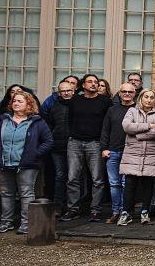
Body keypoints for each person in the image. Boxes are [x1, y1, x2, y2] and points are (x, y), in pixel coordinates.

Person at [0, 90, 53, 235]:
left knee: (26, 193)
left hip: (27, 165)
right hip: (3, 163)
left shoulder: (37, 122)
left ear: (28, 104)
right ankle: (6, 222)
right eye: (14, 101)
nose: (16, 103)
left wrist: (34, 154)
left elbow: (48, 142)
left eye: (20, 101)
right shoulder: (2, 119)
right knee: (7, 193)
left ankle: (26, 224)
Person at [61, 74, 112, 222]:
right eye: (90, 82)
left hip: (95, 143)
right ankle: (73, 209)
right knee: (72, 178)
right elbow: (69, 120)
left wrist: (104, 144)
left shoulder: (105, 102)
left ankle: (95, 210)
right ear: (83, 85)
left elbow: (107, 125)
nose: (93, 84)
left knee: (97, 179)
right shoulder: (75, 100)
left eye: (96, 82)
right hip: (75, 142)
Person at [117, 89, 155, 225]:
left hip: (152, 154)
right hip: (132, 154)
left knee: (148, 185)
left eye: (152, 97)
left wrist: (138, 134)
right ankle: (126, 212)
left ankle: (145, 211)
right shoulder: (132, 111)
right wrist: (148, 126)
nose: (149, 100)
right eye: (146, 97)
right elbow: (126, 126)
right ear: (141, 98)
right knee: (130, 184)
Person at [100, 83, 136, 223]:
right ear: (119, 93)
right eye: (124, 91)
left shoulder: (137, 110)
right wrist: (104, 148)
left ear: (134, 94)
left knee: (126, 184)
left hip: (130, 152)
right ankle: (116, 211)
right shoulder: (112, 110)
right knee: (114, 184)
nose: (127, 94)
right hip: (113, 151)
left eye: (130, 92)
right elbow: (105, 130)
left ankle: (125, 211)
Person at [45, 80, 75, 211]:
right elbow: (49, 125)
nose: (66, 93)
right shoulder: (54, 107)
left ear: (73, 91)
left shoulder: (78, 105)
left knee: (74, 177)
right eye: (63, 91)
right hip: (57, 146)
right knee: (60, 175)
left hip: (75, 145)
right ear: (59, 93)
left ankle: (73, 205)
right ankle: (58, 204)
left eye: (69, 90)